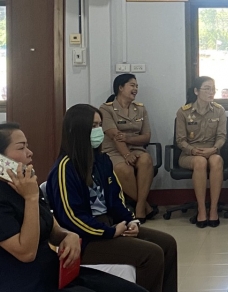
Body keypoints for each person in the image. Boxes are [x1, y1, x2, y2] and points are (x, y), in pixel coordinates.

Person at [0, 122, 146, 292]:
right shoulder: (17, 194)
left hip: (54, 273)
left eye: (27, 146)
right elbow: (26, 253)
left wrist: (68, 235)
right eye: (21, 147)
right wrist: (31, 199)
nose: (29, 152)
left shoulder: (25, 186)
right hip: (26, 283)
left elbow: (52, 228)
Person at [47, 104, 178, 292]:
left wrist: (131, 221)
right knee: (152, 254)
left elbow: (116, 198)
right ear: (78, 129)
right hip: (86, 239)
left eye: (100, 125)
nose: (99, 131)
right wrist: (109, 232)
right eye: (93, 126)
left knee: (168, 243)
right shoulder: (65, 168)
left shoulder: (102, 160)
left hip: (110, 226)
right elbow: (72, 218)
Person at [99, 74, 156, 222]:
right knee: (124, 169)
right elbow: (114, 135)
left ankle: (139, 207)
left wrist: (128, 139)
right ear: (120, 87)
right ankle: (145, 205)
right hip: (113, 151)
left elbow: (146, 137)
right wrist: (126, 154)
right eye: (132, 85)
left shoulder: (140, 109)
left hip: (136, 148)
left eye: (136, 86)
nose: (135, 89)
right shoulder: (106, 109)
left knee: (146, 159)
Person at [175, 76, 227, 228]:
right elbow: (180, 140)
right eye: (207, 89)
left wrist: (214, 149)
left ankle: (214, 209)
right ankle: (201, 209)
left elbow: (222, 136)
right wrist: (193, 150)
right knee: (200, 161)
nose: (211, 92)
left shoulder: (219, 110)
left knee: (216, 160)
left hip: (212, 151)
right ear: (196, 91)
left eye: (213, 89)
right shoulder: (183, 112)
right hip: (189, 154)